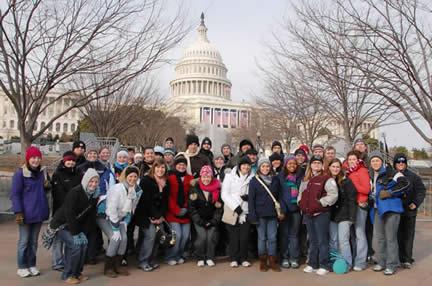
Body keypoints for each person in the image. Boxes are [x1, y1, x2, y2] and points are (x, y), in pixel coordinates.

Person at [49, 168, 99, 284]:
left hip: (76, 225)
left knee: (84, 245)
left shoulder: (94, 194)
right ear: (86, 181)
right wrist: (76, 234)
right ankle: (67, 274)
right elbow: (69, 214)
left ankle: (77, 273)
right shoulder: (75, 192)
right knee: (75, 246)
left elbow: (90, 216)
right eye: (91, 181)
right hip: (62, 224)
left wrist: (84, 232)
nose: (93, 184)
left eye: (96, 182)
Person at [10, 146, 50, 278]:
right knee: (24, 241)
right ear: (28, 159)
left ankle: (32, 265)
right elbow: (15, 195)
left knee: (33, 242)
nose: (36, 160)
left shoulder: (43, 173)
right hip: (25, 214)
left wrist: (48, 186)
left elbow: (45, 190)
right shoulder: (20, 173)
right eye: (33, 157)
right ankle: (22, 266)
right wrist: (18, 212)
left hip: (38, 213)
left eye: (38, 158)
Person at [369, 151, 409, 275]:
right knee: (378, 238)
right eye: (373, 161)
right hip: (377, 209)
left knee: (390, 238)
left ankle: (391, 265)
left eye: (377, 160)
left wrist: (390, 192)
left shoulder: (391, 172)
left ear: (382, 161)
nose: (375, 163)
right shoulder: (370, 175)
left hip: (391, 209)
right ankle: (381, 262)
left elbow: (405, 183)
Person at [298, 155, 338, 276]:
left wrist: (320, 203)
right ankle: (312, 264)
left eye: (318, 163)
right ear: (310, 165)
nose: (316, 165)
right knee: (313, 240)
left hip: (321, 213)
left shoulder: (327, 179)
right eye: (314, 163)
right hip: (309, 214)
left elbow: (333, 195)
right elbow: (300, 194)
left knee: (322, 240)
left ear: (322, 165)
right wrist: (302, 204)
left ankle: (324, 264)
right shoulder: (305, 179)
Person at [99, 166, 141, 278]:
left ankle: (118, 265)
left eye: (135, 176)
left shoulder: (137, 190)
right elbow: (111, 209)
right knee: (115, 238)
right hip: (104, 215)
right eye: (130, 176)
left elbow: (132, 209)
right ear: (125, 176)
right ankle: (108, 268)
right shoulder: (117, 188)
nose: (132, 179)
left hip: (120, 217)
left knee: (124, 239)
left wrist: (126, 222)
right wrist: (116, 229)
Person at [134, 158, 170, 271]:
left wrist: (161, 216)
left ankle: (151, 260)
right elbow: (146, 201)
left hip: (158, 215)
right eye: (158, 167)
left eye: (163, 167)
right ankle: (143, 261)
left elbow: (165, 201)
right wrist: (155, 216)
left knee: (159, 235)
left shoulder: (166, 182)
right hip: (144, 214)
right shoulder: (146, 180)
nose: (160, 169)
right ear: (154, 168)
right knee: (150, 236)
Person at [393, 153, 426, 268]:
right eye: (398, 162)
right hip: (395, 211)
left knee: (408, 235)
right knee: (395, 235)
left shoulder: (414, 176)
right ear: (395, 164)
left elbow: (421, 191)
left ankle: (407, 259)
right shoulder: (391, 175)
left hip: (409, 211)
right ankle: (396, 258)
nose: (401, 164)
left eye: (403, 162)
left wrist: (415, 203)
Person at [51, 151, 81, 271]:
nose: (71, 162)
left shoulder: (78, 174)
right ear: (64, 161)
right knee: (58, 238)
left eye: (73, 161)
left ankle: (68, 260)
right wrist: (69, 206)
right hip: (60, 211)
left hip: (74, 212)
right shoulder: (57, 174)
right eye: (69, 160)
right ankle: (57, 261)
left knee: (70, 237)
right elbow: (58, 194)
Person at [249, 158, 281, 272]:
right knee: (262, 238)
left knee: (272, 238)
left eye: (267, 166)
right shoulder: (254, 181)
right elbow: (251, 200)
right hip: (260, 214)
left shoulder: (275, 179)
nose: (265, 168)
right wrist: (252, 215)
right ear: (259, 167)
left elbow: (278, 196)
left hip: (272, 213)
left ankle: (272, 260)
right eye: (263, 166)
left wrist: (280, 212)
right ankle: (263, 261)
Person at [221, 156, 254, 268]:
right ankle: (234, 258)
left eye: (248, 165)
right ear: (239, 165)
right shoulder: (229, 176)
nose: (246, 167)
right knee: (233, 236)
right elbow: (224, 194)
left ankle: (244, 258)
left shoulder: (253, 177)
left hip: (245, 210)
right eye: (244, 164)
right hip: (232, 210)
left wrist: (249, 197)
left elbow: (254, 193)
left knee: (244, 236)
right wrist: (236, 207)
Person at [188, 165, 223, 267]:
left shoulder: (217, 189)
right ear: (200, 177)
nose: (206, 179)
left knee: (211, 237)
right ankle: (200, 257)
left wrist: (214, 221)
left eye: (208, 177)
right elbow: (192, 207)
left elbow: (219, 207)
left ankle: (210, 257)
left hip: (212, 219)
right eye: (204, 177)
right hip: (199, 219)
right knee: (202, 237)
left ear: (211, 177)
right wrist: (199, 221)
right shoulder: (195, 188)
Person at [272, 155, 302, 269]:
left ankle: (294, 258)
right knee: (284, 235)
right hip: (284, 210)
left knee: (294, 235)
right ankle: (284, 257)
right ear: (285, 165)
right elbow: (277, 195)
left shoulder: (300, 176)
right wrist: (281, 210)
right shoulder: (279, 177)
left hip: (296, 210)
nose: (292, 166)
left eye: (294, 163)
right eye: (290, 163)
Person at [328, 159, 357, 270]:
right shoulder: (327, 180)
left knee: (343, 241)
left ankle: (347, 263)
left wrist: (352, 217)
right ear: (329, 167)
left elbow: (352, 199)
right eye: (333, 166)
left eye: (337, 167)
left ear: (340, 168)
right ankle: (333, 262)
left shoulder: (346, 181)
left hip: (345, 215)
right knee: (333, 240)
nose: (335, 169)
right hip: (332, 215)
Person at [165, 156, 194, 265]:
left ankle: (179, 255)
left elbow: (191, 195)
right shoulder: (170, 177)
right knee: (177, 235)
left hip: (186, 212)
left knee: (186, 236)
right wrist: (176, 210)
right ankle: (170, 256)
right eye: (179, 164)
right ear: (175, 165)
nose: (181, 166)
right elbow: (168, 196)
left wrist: (186, 207)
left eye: (183, 165)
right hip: (173, 212)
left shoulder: (190, 178)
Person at [345, 150, 370, 271]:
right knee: (352, 235)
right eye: (349, 160)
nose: (351, 162)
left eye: (353, 159)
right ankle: (354, 258)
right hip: (350, 206)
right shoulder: (348, 172)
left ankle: (361, 261)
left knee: (360, 233)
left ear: (358, 160)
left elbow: (366, 189)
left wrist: (353, 185)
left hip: (360, 204)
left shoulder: (362, 170)